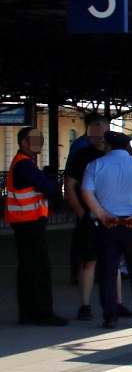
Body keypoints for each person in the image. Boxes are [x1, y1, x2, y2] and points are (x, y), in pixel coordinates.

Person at [81, 131, 132, 328]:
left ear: (108, 146)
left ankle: (110, 316)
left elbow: (86, 193)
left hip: (107, 225)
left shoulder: (95, 166)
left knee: (107, 270)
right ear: (127, 147)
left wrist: (101, 214)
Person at [64, 114, 132, 322]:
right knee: (90, 260)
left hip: (113, 215)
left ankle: (117, 302)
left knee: (113, 260)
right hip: (92, 216)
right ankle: (85, 306)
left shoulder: (115, 156)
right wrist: (81, 213)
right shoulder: (82, 155)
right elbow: (70, 187)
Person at [4, 127, 67, 325]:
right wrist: (51, 183)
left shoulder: (23, 162)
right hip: (29, 222)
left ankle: (28, 312)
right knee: (39, 268)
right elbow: (49, 188)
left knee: (28, 269)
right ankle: (42, 313)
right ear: (24, 142)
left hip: (24, 222)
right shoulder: (25, 164)